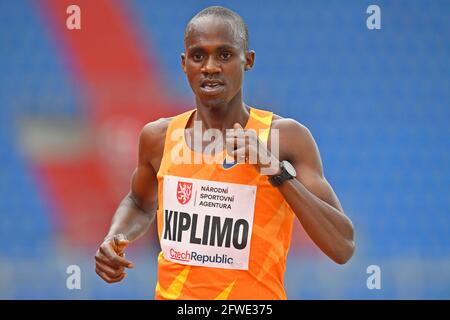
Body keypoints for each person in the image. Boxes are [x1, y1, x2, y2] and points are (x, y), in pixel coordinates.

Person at [95, 6, 355, 300]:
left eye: (224, 55)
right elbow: (140, 202)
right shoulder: (159, 137)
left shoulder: (284, 138)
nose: (210, 67)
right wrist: (116, 236)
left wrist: (274, 170)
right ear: (184, 64)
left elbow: (342, 246)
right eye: (198, 56)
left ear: (248, 60)